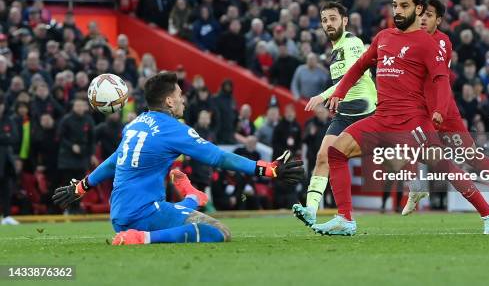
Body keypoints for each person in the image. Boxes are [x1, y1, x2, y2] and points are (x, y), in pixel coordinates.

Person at [313, 0, 489, 235]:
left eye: (404, 5)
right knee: (335, 152)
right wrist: (341, 92)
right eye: (394, 5)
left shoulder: (426, 43)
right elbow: (359, 66)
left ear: (419, 9)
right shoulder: (383, 37)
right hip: (381, 120)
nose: (397, 11)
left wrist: (440, 111)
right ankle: (345, 219)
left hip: (412, 123)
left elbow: (441, 80)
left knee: (443, 165)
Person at [52, 72, 303, 245]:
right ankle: (143, 238)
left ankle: (194, 197)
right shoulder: (173, 129)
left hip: (119, 214)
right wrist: (266, 169)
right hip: (144, 215)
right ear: (170, 101)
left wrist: (82, 185)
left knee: (179, 209)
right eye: (180, 94)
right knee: (218, 232)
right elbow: (217, 157)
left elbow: (115, 160)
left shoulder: (135, 124)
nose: (183, 99)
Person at [403, 0, 489, 217]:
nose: (422, 19)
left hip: (443, 109)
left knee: (470, 155)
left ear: (438, 20)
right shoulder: (408, 39)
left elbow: (436, 75)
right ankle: (416, 187)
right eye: (420, 14)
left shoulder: (441, 42)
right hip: (421, 110)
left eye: (428, 15)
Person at [292, 1, 376, 227]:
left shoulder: (352, 42)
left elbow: (354, 75)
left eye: (333, 18)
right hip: (345, 112)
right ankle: (311, 210)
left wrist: (324, 95)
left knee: (389, 152)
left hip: (365, 110)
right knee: (323, 157)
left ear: (345, 21)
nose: (328, 23)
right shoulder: (336, 49)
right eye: (324, 20)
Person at [0, 95, 19, 225]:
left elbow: (14, 138)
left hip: (5, 161)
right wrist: (4, 137)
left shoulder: (8, 120)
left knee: (6, 189)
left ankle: (6, 216)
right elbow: (8, 138)